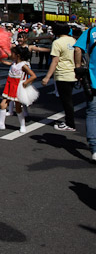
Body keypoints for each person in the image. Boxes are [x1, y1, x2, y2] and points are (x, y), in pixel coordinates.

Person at [0, 46, 37, 133]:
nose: (11, 55)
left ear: (18, 55)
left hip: (17, 87)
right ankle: (1, 123)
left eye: (13, 53)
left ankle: (22, 125)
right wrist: (1, 60)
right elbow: (9, 64)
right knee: (3, 104)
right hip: (10, 85)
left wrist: (26, 82)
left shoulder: (24, 65)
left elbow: (33, 75)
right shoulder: (14, 62)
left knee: (18, 108)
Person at [41, 22, 77, 132]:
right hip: (72, 72)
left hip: (62, 73)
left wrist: (47, 77)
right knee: (68, 99)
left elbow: (55, 61)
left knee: (66, 100)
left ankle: (70, 123)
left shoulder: (57, 42)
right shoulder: (73, 40)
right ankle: (69, 121)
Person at [74, 26, 96, 162]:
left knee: (92, 113)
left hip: (93, 80)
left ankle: (94, 149)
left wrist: (78, 68)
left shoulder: (90, 32)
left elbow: (77, 49)